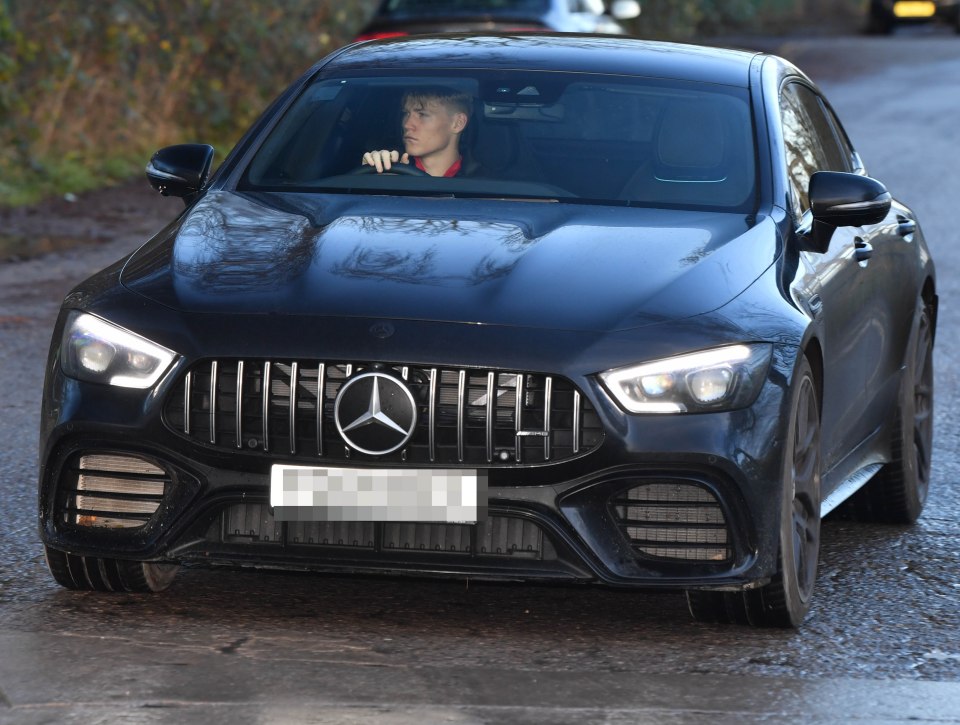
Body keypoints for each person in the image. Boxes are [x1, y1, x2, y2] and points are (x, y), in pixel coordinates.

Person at [362, 87, 473, 177]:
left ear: (458, 123)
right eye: (406, 113)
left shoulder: (482, 183)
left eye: (422, 115)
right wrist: (372, 177)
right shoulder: (391, 168)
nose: (406, 125)